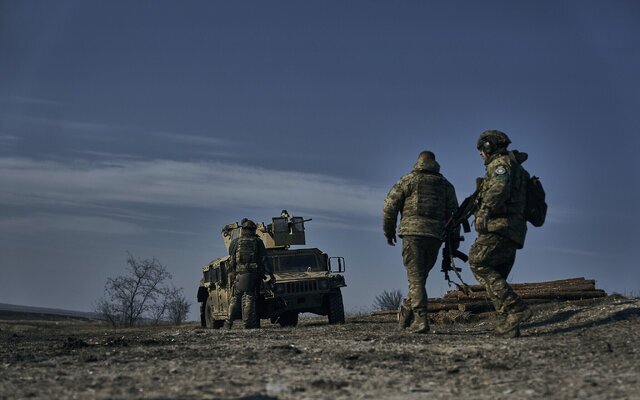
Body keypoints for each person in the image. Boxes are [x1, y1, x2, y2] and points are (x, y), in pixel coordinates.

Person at [383, 151, 459, 333]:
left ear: (418, 162)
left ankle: (421, 319)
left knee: (415, 278)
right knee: (420, 278)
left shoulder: (407, 180)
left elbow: (389, 206)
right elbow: (455, 216)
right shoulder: (445, 185)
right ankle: (406, 316)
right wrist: (453, 242)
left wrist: (389, 231)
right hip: (435, 237)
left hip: (412, 234)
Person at [470, 130, 532, 337]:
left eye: (481, 149)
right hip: (514, 230)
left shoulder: (500, 165)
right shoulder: (518, 168)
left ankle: (516, 309)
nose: (480, 154)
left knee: (478, 262)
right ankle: (508, 324)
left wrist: (484, 211)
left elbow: (499, 189)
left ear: (489, 147)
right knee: (497, 276)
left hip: (499, 226)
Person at [225, 218, 275, 329]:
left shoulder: (235, 242)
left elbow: (231, 259)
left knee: (235, 298)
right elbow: (264, 259)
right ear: (253, 230)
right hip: (252, 274)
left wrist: (233, 274)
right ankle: (247, 324)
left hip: (238, 274)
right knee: (249, 298)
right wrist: (270, 274)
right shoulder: (257, 242)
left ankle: (228, 322)